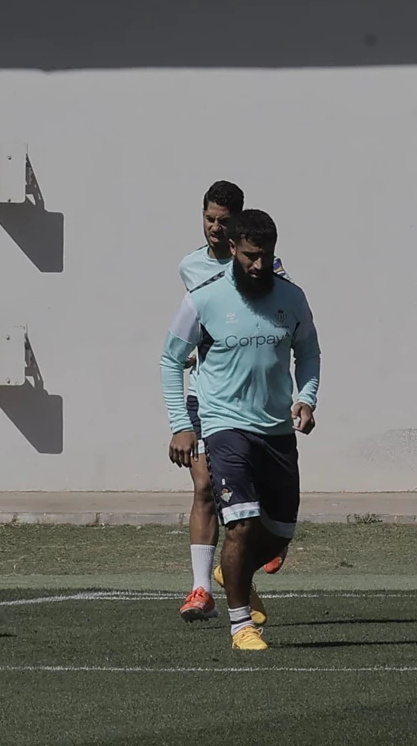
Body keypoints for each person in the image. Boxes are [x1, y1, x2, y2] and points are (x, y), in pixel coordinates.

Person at [161, 209, 320, 650]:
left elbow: (308, 352)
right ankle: (240, 626)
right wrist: (181, 425)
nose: (258, 265)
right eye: (250, 256)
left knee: (279, 533)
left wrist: (307, 398)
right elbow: (170, 360)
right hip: (224, 425)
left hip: (276, 430)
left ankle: (229, 571)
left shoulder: (292, 297)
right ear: (233, 249)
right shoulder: (203, 298)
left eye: (265, 256)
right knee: (241, 525)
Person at [175, 181, 288, 625]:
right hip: (206, 394)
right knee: (205, 487)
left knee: (251, 505)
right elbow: (193, 321)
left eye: (224, 222)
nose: (215, 229)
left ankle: (237, 576)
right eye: (209, 219)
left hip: (255, 404)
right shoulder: (190, 267)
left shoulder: (266, 268)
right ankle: (201, 588)